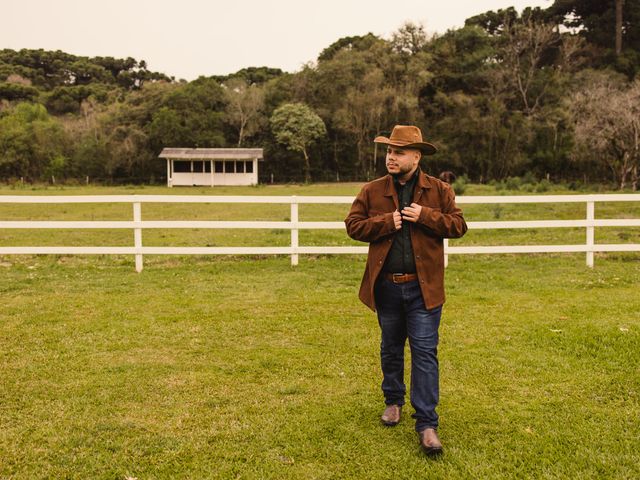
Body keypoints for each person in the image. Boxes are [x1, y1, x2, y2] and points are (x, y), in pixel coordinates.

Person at [344, 125, 467, 457]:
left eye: (398, 152)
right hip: (386, 286)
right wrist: (388, 222)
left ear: (417, 156)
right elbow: (352, 226)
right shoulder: (371, 191)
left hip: (423, 290)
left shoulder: (439, 191)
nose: (391, 158)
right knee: (391, 347)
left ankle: (427, 424)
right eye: (388, 151)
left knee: (425, 353)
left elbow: (459, 226)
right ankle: (393, 401)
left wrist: (426, 216)